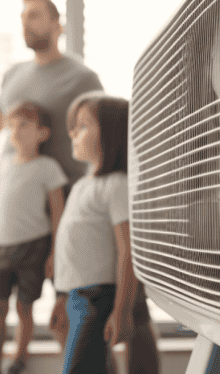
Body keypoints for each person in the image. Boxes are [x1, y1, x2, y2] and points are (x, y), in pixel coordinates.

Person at [0, 0, 103, 374]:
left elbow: (103, 132)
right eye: (22, 16)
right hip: (17, 213)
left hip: (64, 203)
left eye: (35, 15)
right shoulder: (13, 75)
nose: (26, 22)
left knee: (66, 304)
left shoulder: (81, 76)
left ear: (58, 25)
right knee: (9, 302)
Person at [53, 92, 159, 374]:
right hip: (77, 295)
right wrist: (63, 298)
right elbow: (72, 250)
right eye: (73, 125)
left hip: (98, 297)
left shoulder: (116, 186)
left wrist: (122, 310)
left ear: (112, 134)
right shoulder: (80, 187)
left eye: (84, 125)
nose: (73, 132)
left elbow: (128, 249)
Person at [0, 102, 67, 374]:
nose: (14, 132)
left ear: (42, 133)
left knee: (24, 306)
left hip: (33, 246)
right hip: (1, 247)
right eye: (11, 126)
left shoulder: (48, 167)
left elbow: (58, 214)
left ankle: (20, 357)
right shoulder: (5, 163)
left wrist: (55, 253)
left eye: (23, 125)